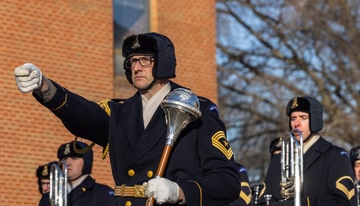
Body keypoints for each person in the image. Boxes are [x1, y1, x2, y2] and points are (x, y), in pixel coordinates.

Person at [14, 32, 241, 206]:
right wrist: (44, 87)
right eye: (132, 61)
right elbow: (84, 114)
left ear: (162, 63)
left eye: (145, 60)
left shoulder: (196, 108)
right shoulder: (119, 113)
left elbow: (228, 182)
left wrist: (178, 191)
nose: (136, 67)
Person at [258, 96, 356, 206]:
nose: (296, 124)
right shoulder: (278, 159)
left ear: (315, 121)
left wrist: (304, 204)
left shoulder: (336, 156)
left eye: (303, 117)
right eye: (293, 118)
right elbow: (262, 201)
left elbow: (343, 202)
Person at [38, 141, 114, 206]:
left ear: (86, 162)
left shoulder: (103, 195)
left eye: (74, 158)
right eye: (64, 159)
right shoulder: (49, 196)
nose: (67, 163)